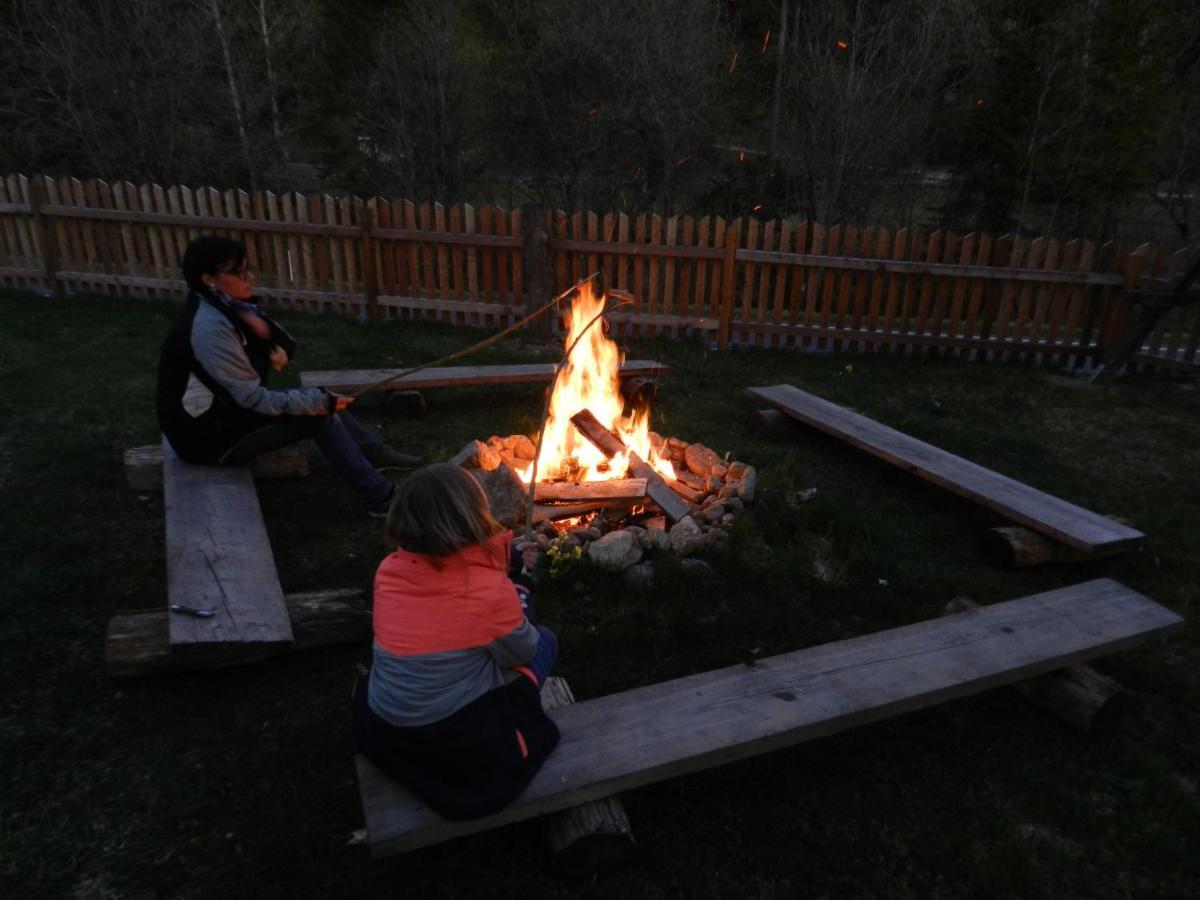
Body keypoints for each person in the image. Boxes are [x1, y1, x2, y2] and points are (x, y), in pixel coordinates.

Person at [156, 235, 420, 515]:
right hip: (205, 437)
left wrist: (266, 337)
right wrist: (319, 404)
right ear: (208, 278)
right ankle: (379, 498)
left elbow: (270, 358)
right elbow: (250, 398)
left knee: (316, 398)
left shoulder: (227, 307)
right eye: (239, 272)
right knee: (319, 417)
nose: (250, 278)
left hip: (226, 414)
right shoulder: (209, 328)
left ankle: (373, 453)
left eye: (248, 269)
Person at [353, 463, 561, 820]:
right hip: (454, 741)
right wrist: (520, 590)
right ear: (473, 513)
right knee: (544, 641)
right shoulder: (489, 594)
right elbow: (523, 651)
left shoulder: (388, 569)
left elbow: (450, 576)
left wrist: (503, 559)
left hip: (389, 728)